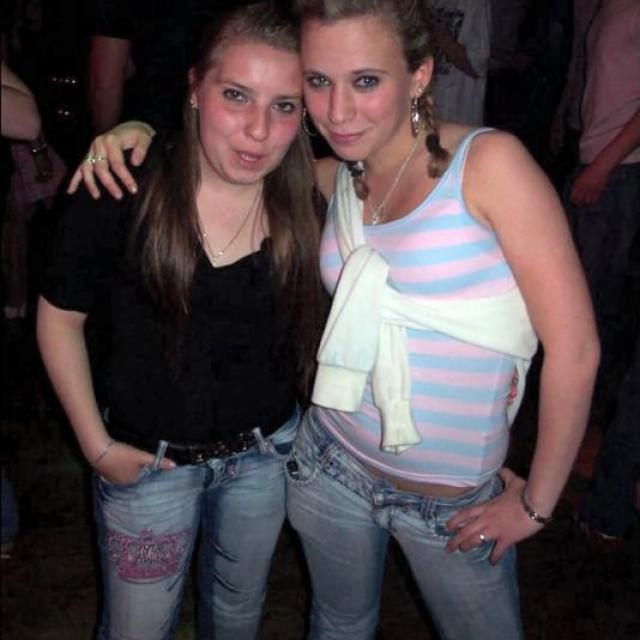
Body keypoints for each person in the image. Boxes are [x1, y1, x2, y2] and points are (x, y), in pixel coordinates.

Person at [71, 1, 599, 638]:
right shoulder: (337, 176)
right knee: (337, 626)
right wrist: (137, 133)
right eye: (319, 82)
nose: (339, 111)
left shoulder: (489, 166)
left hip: (452, 500)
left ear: (420, 75)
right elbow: (228, 154)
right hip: (329, 469)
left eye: (365, 80)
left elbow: (576, 350)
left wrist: (538, 504)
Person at [37, 3, 324, 639]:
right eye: (235, 95)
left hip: (264, 459)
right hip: (148, 466)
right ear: (194, 87)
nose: (257, 130)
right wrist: (96, 447)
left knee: (237, 619)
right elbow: (59, 318)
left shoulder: (310, 199)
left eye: (284, 105)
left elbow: (411, 163)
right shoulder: (122, 185)